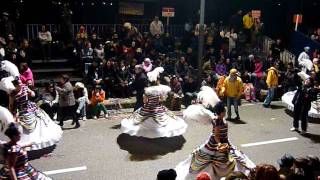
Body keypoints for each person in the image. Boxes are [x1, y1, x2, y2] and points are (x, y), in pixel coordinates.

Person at [175, 102, 255, 180]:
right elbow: (216, 136)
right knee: (221, 159)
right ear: (220, 113)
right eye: (224, 111)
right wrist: (220, 144)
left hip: (224, 140)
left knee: (233, 156)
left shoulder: (218, 118)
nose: (225, 113)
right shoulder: (218, 122)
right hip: (217, 143)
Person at [121, 67, 188, 138]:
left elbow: (145, 101)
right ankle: (158, 134)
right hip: (157, 107)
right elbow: (162, 99)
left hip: (148, 107)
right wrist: (157, 99)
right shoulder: (158, 91)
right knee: (163, 121)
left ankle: (148, 134)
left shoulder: (147, 91)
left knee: (140, 120)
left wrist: (148, 100)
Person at [8, 78, 62, 150]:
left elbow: (33, 94)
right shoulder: (12, 93)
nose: (21, 84)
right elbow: (11, 105)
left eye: (21, 82)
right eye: (19, 83)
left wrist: (31, 93)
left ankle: (38, 139)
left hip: (29, 107)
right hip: (21, 109)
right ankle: (22, 143)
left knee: (40, 119)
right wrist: (11, 112)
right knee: (20, 126)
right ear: (15, 85)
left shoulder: (24, 87)